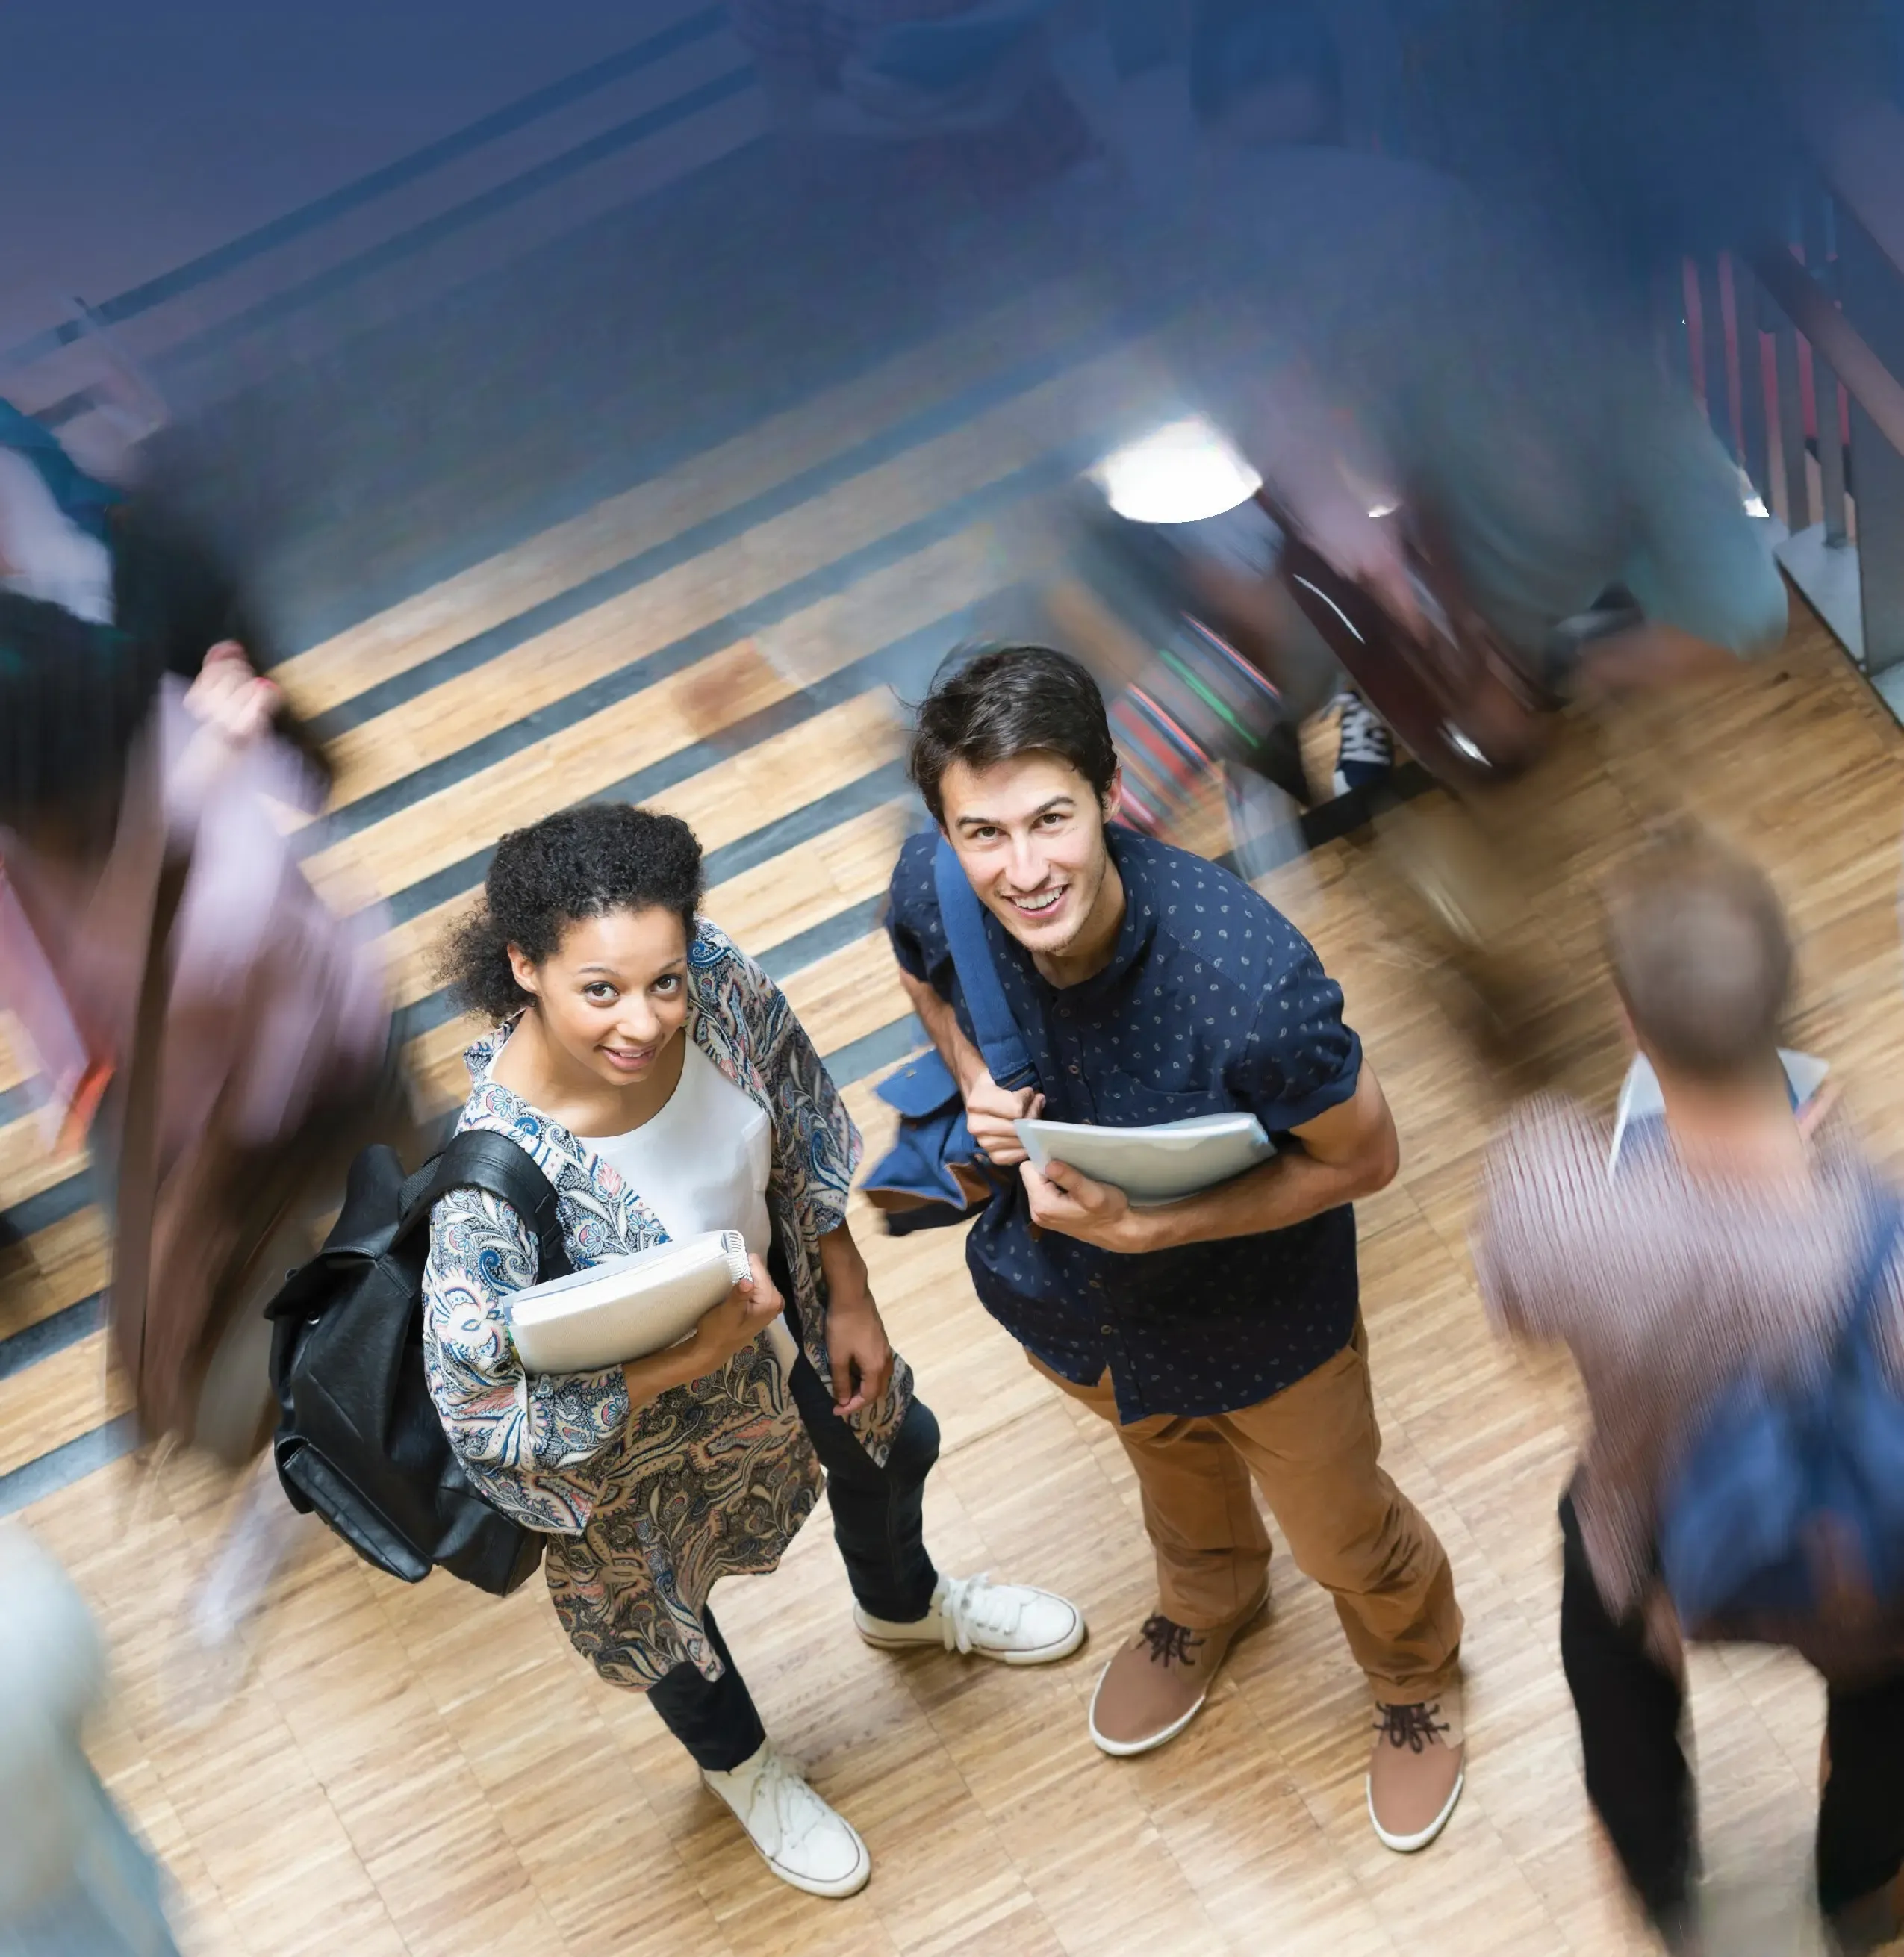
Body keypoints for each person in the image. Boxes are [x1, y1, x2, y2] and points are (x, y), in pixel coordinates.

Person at [421, 803, 1085, 1900]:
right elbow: (488, 1423)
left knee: (892, 1447)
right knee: (669, 1618)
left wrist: (852, 1290)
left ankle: (905, 1610)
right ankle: (742, 1766)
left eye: (663, 981)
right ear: (524, 966)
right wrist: (695, 1356)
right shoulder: (489, 1190)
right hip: (637, 1454)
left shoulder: (715, 977)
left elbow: (799, 1109)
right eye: (601, 990)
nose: (645, 1021)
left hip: (798, 1325)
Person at [881, 643, 1465, 1850]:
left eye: (1050, 819)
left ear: (1105, 792)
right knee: (1170, 1474)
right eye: (982, 833)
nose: (1022, 868)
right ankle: (1210, 1598)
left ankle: (1411, 1681)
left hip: (1263, 1321)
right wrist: (978, 1074)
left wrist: (1155, 1224)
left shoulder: (1247, 984)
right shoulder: (940, 886)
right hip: (1076, 1307)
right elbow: (917, 963)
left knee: (1341, 1529)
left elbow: (1365, 1159)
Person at [1474, 830, 1904, 1955]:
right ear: (1782, 1007)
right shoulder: (1880, 1240)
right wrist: (1835, 1162)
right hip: (1853, 1568)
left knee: (1606, 1664)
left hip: (1645, 1537)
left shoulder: (1549, 1188)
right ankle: (1859, 1897)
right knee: (1888, 1717)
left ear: (1627, 1019)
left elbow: (1513, 1309)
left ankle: (1664, 1895)